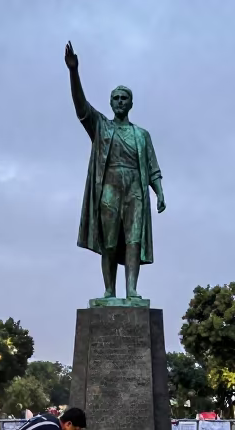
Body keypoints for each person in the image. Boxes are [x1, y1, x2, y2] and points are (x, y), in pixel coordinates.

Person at [65, 42, 165, 301]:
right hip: (109, 186)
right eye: (116, 98)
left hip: (135, 187)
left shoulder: (142, 135)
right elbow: (80, 107)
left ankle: (131, 290)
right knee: (109, 241)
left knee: (133, 241)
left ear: (131, 103)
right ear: (111, 102)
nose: (120, 102)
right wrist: (73, 72)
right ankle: (109, 290)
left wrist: (160, 193)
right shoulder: (101, 126)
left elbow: (153, 168)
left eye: (124, 98)